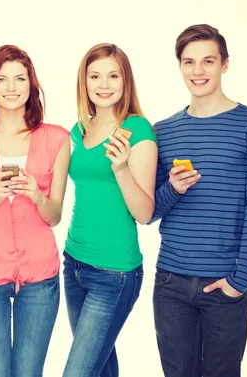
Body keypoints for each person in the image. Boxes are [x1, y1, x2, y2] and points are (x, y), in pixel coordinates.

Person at [151, 24, 247, 377]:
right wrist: (173, 189)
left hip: (225, 282)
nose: (198, 71)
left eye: (208, 61)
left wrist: (240, 280)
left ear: (224, 64)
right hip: (171, 283)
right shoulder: (163, 131)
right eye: (189, 62)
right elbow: (150, 213)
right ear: (179, 66)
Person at [0, 45, 70, 377]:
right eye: (2, 79)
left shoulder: (57, 139)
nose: (11, 88)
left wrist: (37, 195)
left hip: (39, 277)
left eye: (20, 79)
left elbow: (55, 216)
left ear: (31, 85)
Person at [63, 43, 157, 377]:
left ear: (125, 80)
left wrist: (120, 168)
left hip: (114, 272)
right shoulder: (79, 129)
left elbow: (145, 213)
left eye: (113, 75)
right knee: (100, 368)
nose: (104, 84)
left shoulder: (138, 130)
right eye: (95, 76)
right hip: (73, 262)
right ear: (84, 82)